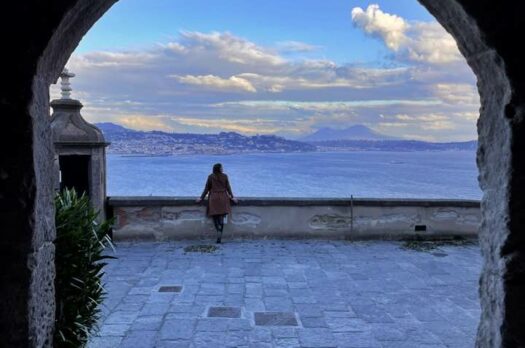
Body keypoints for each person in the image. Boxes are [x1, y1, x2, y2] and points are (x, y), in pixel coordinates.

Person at [196, 163, 238, 243]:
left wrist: (201, 198)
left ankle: (218, 229)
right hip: (223, 197)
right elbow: (228, 188)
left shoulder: (211, 177)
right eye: (222, 167)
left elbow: (206, 188)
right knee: (222, 216)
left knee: (215, 216)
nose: (223, 168)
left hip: (214, 197)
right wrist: (232, 197)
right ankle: (220, 234)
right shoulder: (225, 176)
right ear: (219, 169)